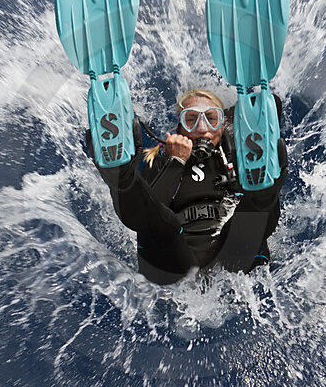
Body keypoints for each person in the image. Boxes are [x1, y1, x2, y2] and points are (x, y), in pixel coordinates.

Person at [89, 88, 287, 285]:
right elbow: (142, 217)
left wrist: (249, 88)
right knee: (161, 225)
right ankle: (121, 176)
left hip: (235, 252)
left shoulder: (239, 147)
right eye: (190, 120)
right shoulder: (159, 159)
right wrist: (175, 162)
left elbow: (271, 105)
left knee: (252, 206)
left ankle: (264, 193)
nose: (202, 128)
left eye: (211, 118)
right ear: (179, 129)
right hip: (175, 262)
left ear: (223, 123)